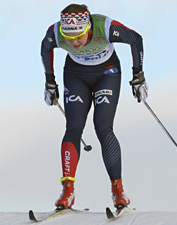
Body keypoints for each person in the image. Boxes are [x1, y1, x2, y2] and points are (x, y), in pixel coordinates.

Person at [40, 4, 147, 210]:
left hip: (107, 73)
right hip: (75, 74)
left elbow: (135, 39)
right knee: (73, 127)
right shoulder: (55, 32)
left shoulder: (104, 27)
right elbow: (45, 48)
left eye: (79, 36)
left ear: (88, 27)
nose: (75, 42)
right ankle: (67, 191)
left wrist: (138, 75)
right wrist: (49, 81)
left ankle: (118, 191)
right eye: (69, 38)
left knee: (103, 127)